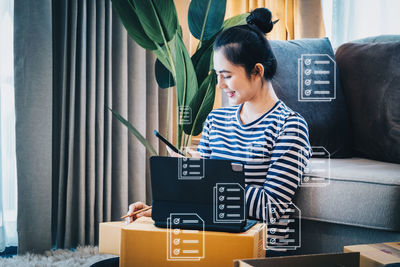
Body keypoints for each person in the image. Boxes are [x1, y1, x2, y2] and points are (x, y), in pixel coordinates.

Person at [125, 7, 311, 257]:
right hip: (209, 240)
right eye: (217, 75)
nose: (220, 85)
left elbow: (271, 207)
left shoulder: (290, 126)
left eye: (227, 76)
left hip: (258, 251)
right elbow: (198, 194)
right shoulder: (216, 121)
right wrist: (157, 208)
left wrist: (209, 183)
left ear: (257, 71)